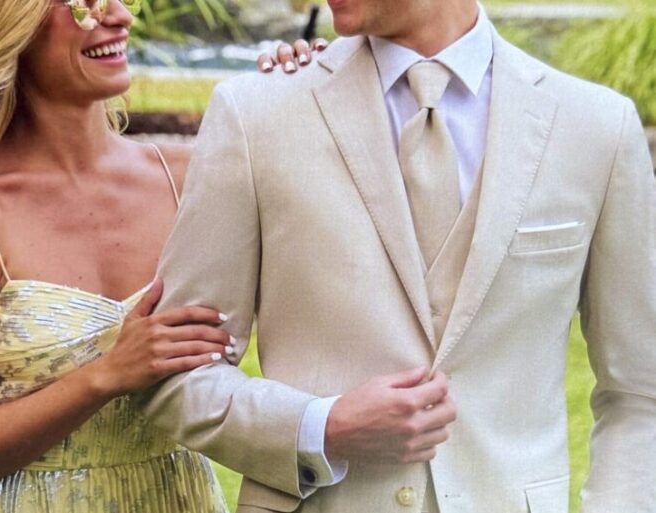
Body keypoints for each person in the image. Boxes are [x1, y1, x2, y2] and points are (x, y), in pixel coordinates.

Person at [139, 0, 656, 512]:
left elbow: (641, 392)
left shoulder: (597, 128)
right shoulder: (255, 114)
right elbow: (176, 376)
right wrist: (321, 428)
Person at [0, 0, 318, 511]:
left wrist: (315, 95)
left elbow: (335, 276)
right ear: (10, 26)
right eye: (83, 3)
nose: (119, 16)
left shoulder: (191, 179)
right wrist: (106, 375)